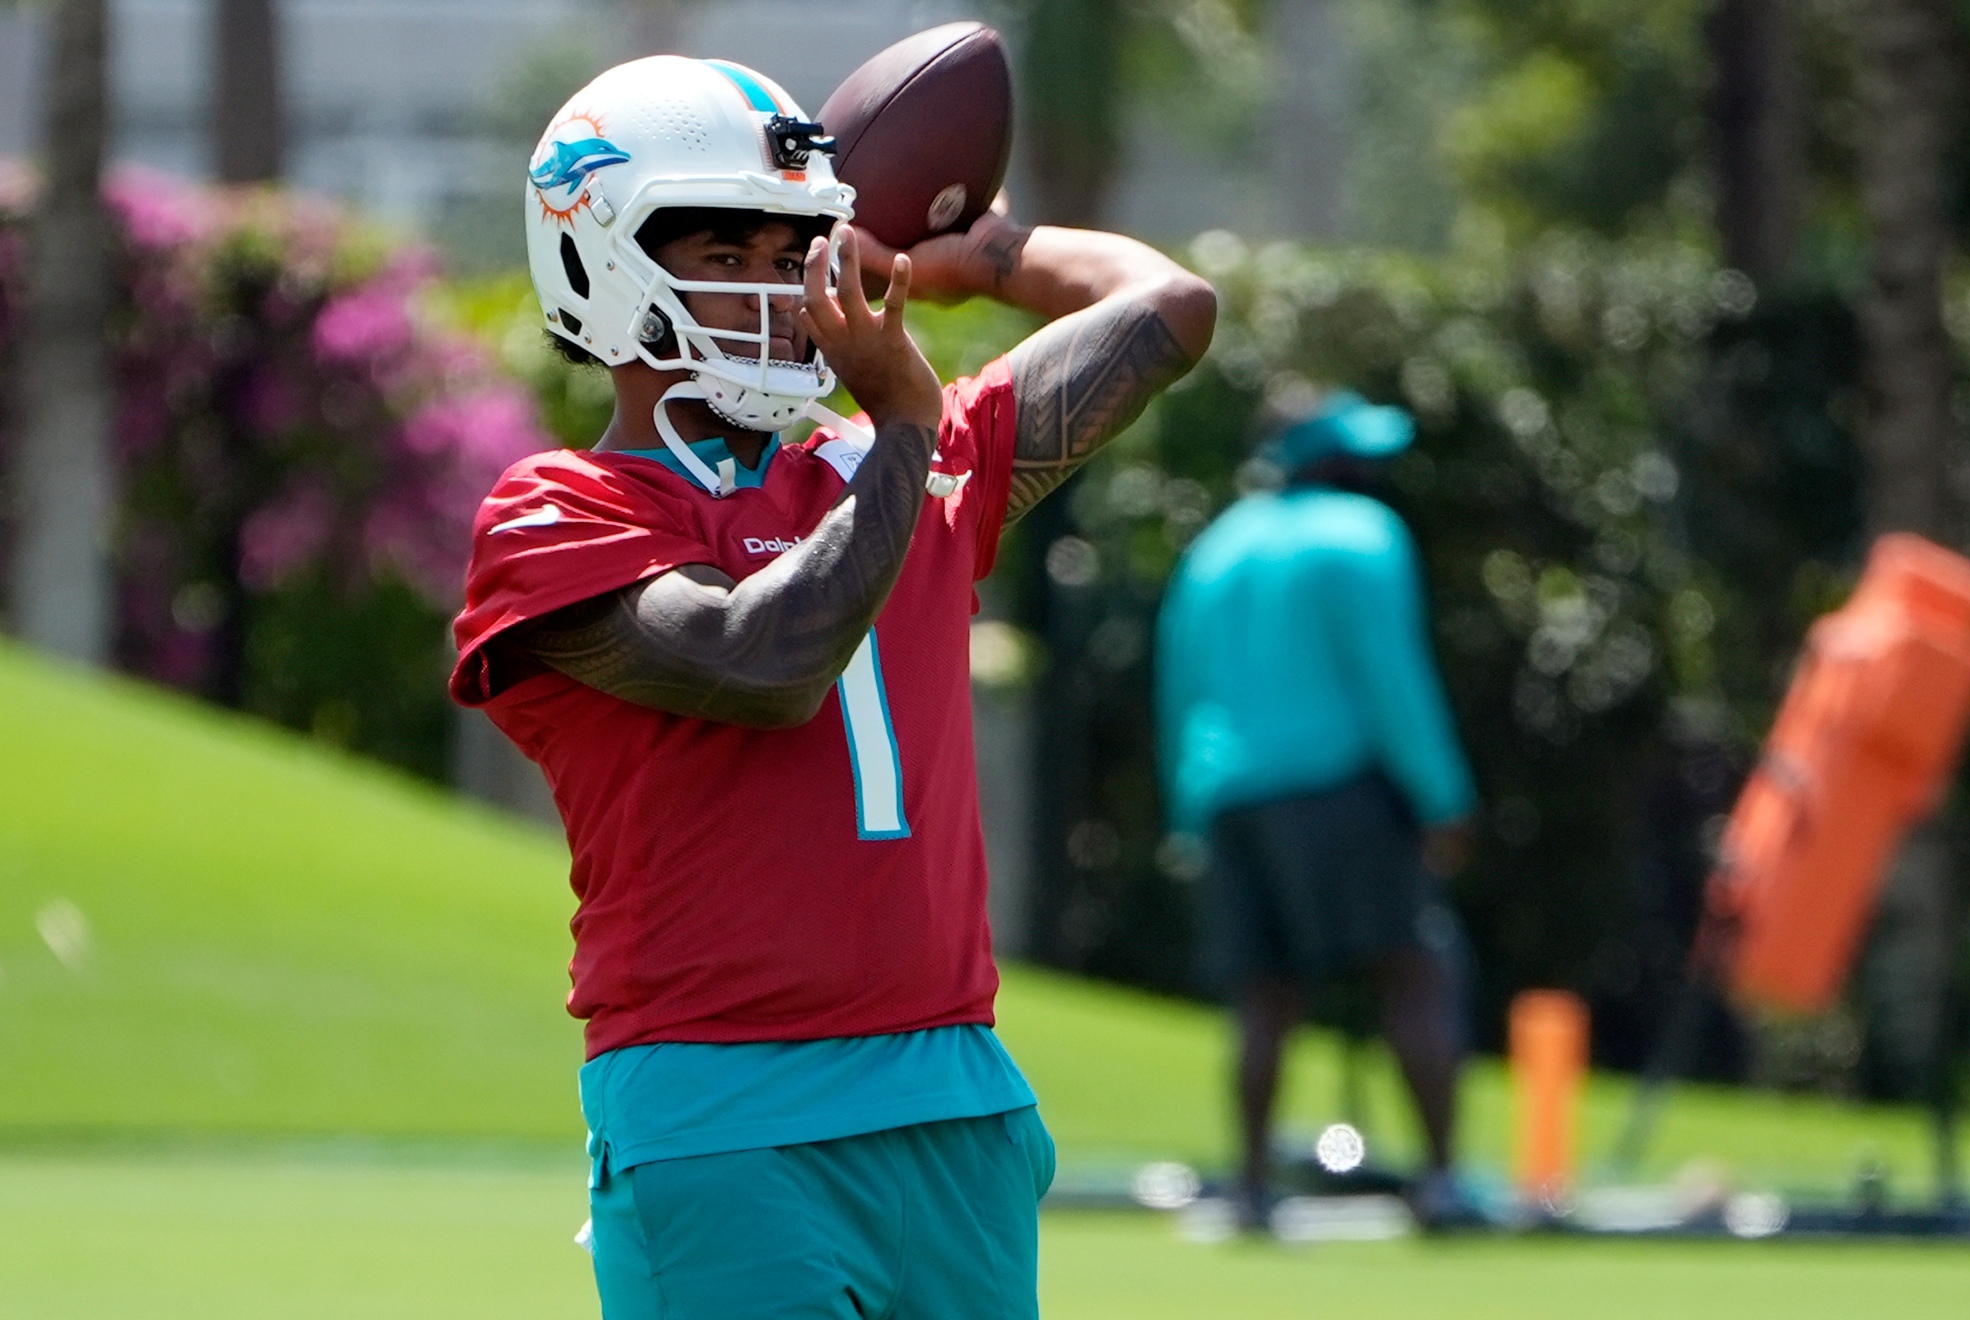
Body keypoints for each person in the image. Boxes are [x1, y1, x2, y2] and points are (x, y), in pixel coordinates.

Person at [449, 56, 1214, 1319]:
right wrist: (909, 425)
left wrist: (978, 256)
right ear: (598, 259)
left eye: (791, 249)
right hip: (723, 1107)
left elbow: (1169, 307)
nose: (772, 292)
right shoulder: (556, 507)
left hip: (953, 1092)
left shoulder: (892, 462)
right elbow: (762, 663)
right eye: (724, 253)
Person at [1154, 391, 1478, 1231]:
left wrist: (1188, 815)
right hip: (1338, 786)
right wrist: (1442, 798)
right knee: (1412, 971)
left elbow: (1179, 695)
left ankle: (1254, 1189)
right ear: (1326, 460)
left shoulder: (1213, 550)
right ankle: (1443, 1184)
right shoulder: (1364, 536)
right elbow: (1394, 682)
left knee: (1264, 999)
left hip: (1230, 798)